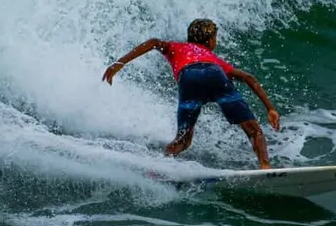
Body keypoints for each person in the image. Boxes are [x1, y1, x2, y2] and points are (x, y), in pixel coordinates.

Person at [102, 19, 280, 169]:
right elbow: (248, 78)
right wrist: (270, 109)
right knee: (254, 131)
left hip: (188, 79)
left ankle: (161, 168)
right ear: (210, 40)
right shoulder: (214, 60)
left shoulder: (176, 47)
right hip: (214, 73)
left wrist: (121, 62)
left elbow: (153, 42)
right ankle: (265, 166)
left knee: (183, 140)